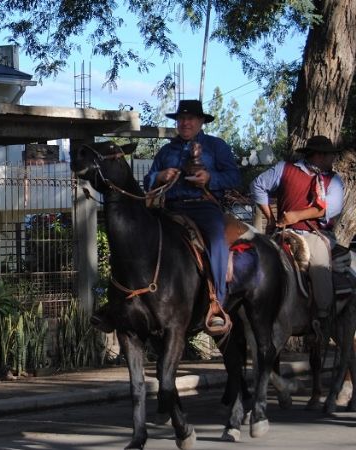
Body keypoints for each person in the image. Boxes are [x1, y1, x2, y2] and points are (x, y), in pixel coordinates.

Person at [144, 100, 242, 329]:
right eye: (181, 119)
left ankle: (217, 303)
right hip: (170, 209)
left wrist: (210, 178)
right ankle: (136, 299)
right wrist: (159, 176)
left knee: (217, 242)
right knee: (141, 240)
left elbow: (234, 177)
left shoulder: (216, 146)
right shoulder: (166, 151)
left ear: (200, 122)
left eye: (190, 119)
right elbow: (148, 180)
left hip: (204, 208)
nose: (185, 123)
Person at [250, 135, 344, 329]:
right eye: (330, 155)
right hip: (283, 232)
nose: (332, 159)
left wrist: (296, 216)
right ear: (319, 155)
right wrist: (271, 218)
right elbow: (257, 185)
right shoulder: (284, 168)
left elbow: (329, 208)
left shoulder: (333, 180)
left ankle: (323, 314)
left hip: (314, 234)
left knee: (319, 265)